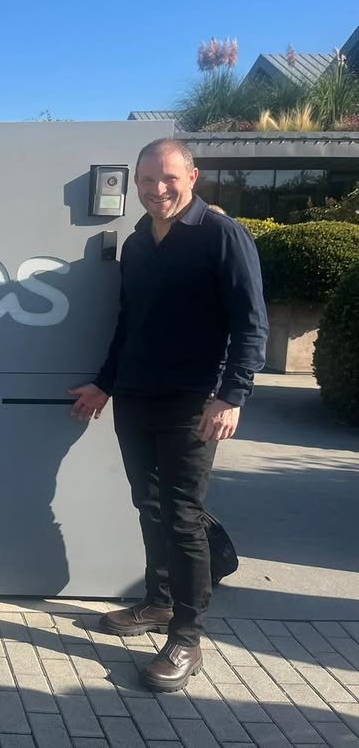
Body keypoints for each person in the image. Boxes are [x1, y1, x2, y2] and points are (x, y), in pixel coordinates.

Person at [68, 138, 268, 692]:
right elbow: (129, 323)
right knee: (149, 504)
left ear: (192, 177)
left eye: (169, 178)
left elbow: (251, 322)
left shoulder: (221, 235)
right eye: (147, 180)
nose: (158, 189)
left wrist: (232, 396)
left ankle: (187, 636)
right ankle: (158, 602)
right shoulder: (137, 243)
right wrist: (105, 385)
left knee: (183, 517)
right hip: (136, 397)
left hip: (194, 401)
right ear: (135, 182)